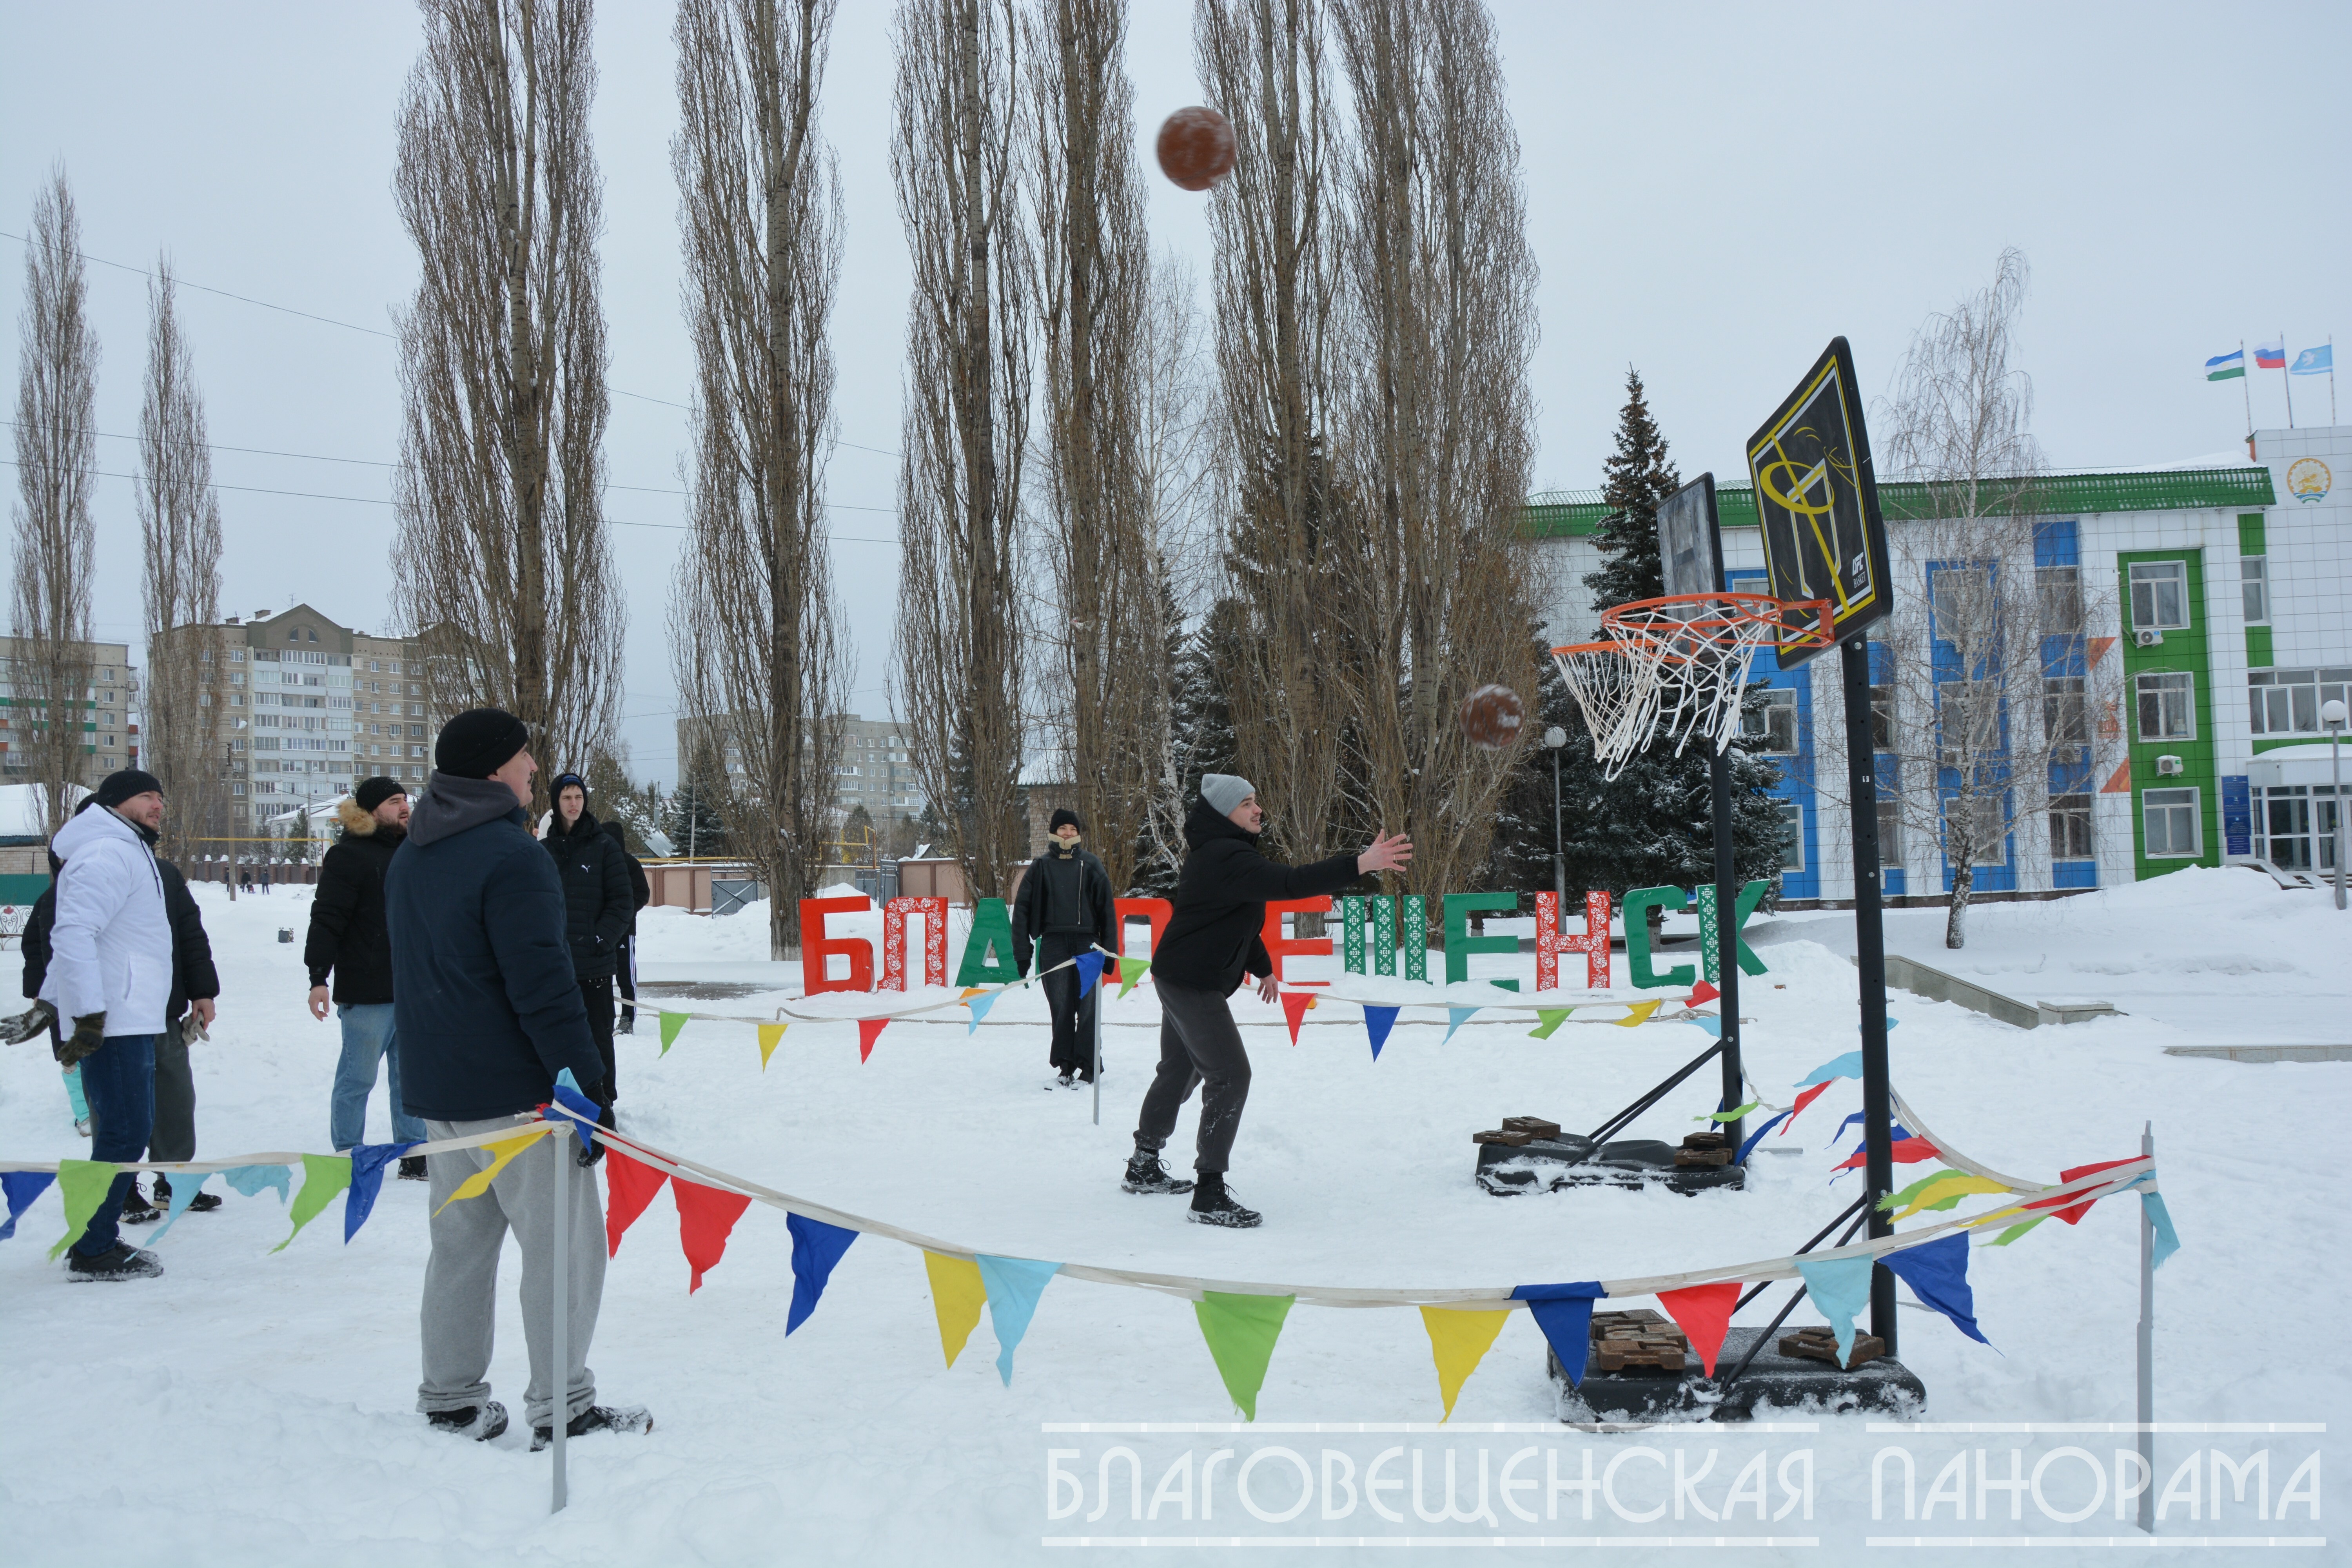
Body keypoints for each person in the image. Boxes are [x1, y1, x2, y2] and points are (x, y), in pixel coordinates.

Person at [387, 710, 647, 1448]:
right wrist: (586, 1090)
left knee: (460, 1252)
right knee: (563, 1252)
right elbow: (545, 988)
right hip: (523, 1104)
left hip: (443, 1098)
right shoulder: (512, 855)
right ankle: (564, 1406)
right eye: (525, 754)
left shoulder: (412, 853)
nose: (536, 767)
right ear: (496, 768)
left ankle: (450, 1401)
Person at [1125, 773, 1412, 1228]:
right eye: (1246, 803)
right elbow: (1292, 883)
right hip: (1192, 982)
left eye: (1256, 801)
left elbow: (1234, 919)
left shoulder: (1221, 855)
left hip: (1181, 974)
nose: (1258, 809)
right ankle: (1209, 1192)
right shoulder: (1225, 855)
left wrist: (1260, 965)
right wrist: (1360, 863)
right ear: (1224, 813)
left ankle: (1143, 1163)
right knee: (1230, 1075)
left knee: (1180, 1071)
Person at [7, 771, 180, 1278]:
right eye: (147, 796)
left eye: (159, 796)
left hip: (128, 1013)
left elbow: (93, 938)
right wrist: (85, 1015)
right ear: (113, 803)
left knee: (126, 1131)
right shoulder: (107, 853)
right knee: (125, 1132)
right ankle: (93, 1247)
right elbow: (74, 935)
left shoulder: (126, 848)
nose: (158, 805)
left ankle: (96, 1238)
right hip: (114, 1019)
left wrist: (50, 1003)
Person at [21, 811, 221, 1222]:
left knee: (174, 1102)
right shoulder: (74, 882)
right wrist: (60, 1023)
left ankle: (176, 1180)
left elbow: (190, 932)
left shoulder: (163, 874)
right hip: (105, 1026)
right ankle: (122, 1192)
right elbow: (48, 956)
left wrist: (203, 991)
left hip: (163, 1014)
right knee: (114, 1112)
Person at [306, 776, 427, 1180]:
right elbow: (327, 918)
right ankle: (347, 1154)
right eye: (395, 801)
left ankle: (413, 1153)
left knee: (410, 1077)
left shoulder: (414, 851)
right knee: (358, 1077)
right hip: (366, 989)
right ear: (372, 810)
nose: (405, 806)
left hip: (411, 988)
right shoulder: (350, 855)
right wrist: (318, 976)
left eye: (406, 799)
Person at [541, 772, 635, 1112]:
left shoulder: (604, 847)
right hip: (555, 965)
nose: (573, 804)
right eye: (567, 797)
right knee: (556, 1038)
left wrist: (601, 939)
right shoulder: (544, 851)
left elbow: (623, 901)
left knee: (597, 1038)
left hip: (594, 964)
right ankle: (564, 1101)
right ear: (556, 803)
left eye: (578, 797)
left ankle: (604, 1101)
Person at [1011, 807, 1116, 1087]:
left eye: (1073, 829)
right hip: (1054, 944)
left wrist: (1109, 953)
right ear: (1054, 833)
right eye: (1063, 829)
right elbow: (1021, 910)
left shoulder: (1091, 865)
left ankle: (1091, 1066)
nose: (1068, 833)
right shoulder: (1041, 867)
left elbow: (1107, 911)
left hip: (1088, 944)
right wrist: (1022, 953)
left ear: (1079, 833)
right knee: (1061, 1007)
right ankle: (1066, 1066)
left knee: (1089, 1007)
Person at [609, 817, 650, 1034]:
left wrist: (624, 912)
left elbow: (643, 894)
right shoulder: (598, 862)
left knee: (626, 976)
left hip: (625, 931)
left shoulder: (630, 864)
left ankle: (628, 1018)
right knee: (600, 977)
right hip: (601, 932)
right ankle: (604, 1017)